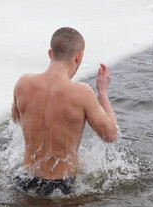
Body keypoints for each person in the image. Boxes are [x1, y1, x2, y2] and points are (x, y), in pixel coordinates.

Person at [11, 27, 117, 196]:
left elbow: (16, 119)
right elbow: (110, 134)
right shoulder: (81, 92)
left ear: (49, 53)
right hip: (61, 187)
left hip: (24, 179)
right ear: (78, 56)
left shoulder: (23, 83)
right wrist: (103, 92)